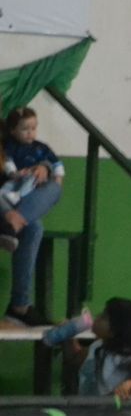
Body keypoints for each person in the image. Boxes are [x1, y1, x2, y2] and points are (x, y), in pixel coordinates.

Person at [0, 107, 66, 326]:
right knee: (32, 226)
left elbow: (38, 159)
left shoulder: (9, 139)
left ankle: (19, 307)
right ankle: (13, 221)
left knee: (51, 193)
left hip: (13, 203)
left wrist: (43, 167)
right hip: (2, 204)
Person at [70, 297, 131, 399]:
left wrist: (130, 385)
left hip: (110, 411)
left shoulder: (125, 356)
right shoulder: (97, 346)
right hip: (86, 407)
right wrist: (68, 335)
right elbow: (76, 358)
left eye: (104, 317)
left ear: (114, 330)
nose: (97, 317)